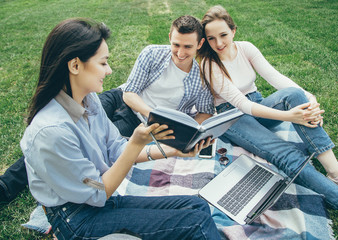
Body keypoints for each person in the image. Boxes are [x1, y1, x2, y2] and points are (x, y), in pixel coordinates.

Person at [19, 18, 221, 240]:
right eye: (103, 63)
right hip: (77, 220)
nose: (110, 70)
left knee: (196, 207)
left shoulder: (90, 101)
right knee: (197, 223)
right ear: (75, 65)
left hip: (101, 202)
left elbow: (117, 149)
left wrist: (175, 150)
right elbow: (99, 191)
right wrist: (136, 142)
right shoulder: (51, 131)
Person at [196, 5, 338, 216]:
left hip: (257, 103)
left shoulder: (245, 48)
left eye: (223, 35)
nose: (218, 43)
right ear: (206, 40)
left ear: (233, 30)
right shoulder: (209, 65)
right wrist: (289, 116)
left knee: (295, 95)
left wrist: (309, 98)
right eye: (211, 38)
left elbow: (274, 77)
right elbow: (243, 105)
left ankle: (337, 174)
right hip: (233, 116)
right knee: (286, 154)